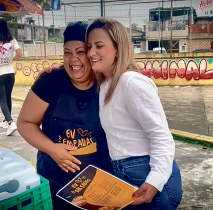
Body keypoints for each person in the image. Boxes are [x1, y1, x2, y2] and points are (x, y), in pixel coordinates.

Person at [86, 18, 183, 210]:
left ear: (118, 48)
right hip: (126, 173)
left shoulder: (130, 82)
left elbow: (161, 135)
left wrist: (154, 181)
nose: (91, 53)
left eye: (99, 46)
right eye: (89, 46)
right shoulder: (106, 82)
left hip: (147, 175)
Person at [17, 22, 112, 209]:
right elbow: (25, 123)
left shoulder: (108, 81)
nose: (73, 59)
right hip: (55, 178)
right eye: (67, 53)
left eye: (80, 52)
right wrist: (52, 149)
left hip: (100, 179)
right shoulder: (50, 81)